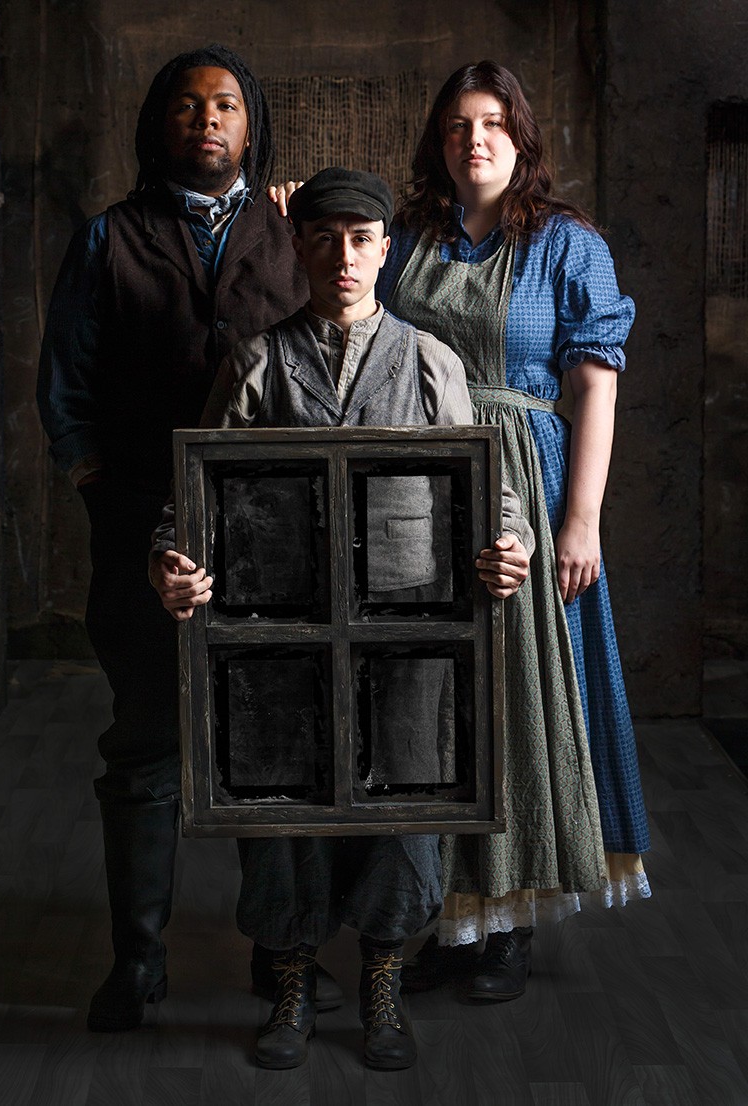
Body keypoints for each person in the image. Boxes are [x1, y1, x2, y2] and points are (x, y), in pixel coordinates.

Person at [148, 168, 535, 1069]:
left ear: (385, 249)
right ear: (299, 246)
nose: (344, 256)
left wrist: (506, 546)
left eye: (362, 239)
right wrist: (171, 563)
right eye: (323, 238)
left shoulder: (432, 361)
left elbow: (493, 494)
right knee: (285, 804)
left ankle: (384, 979)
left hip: (409, 622)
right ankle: (289, 981)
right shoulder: (256, 363)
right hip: (280, 624)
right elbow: (188, 499)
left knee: (405, 800)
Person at [35, 44, 327, 1033]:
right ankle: (138, 961)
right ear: (162, 123)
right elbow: (64, 377)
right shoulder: (108, 237)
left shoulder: (294, 228)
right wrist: (95, 478)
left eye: (228, 106)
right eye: (190, 106)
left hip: (274, 535)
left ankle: (275, 953)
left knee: (268, 747)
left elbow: (348, 342)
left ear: (252, 128)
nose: (208, 120)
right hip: (137, 534)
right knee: (148, 745)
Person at [374, 60, 651, 998]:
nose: (474, 139)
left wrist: (582, 520)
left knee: (522, 701)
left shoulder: (570, 244)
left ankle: (512, 921)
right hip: (415, 481)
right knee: (433, 702)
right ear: (437, 142)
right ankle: (444, 916)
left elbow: (593, 388)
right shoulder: (406, 237)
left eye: (493, 123)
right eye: (456, 125)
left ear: (522, 139)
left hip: (526, 483)